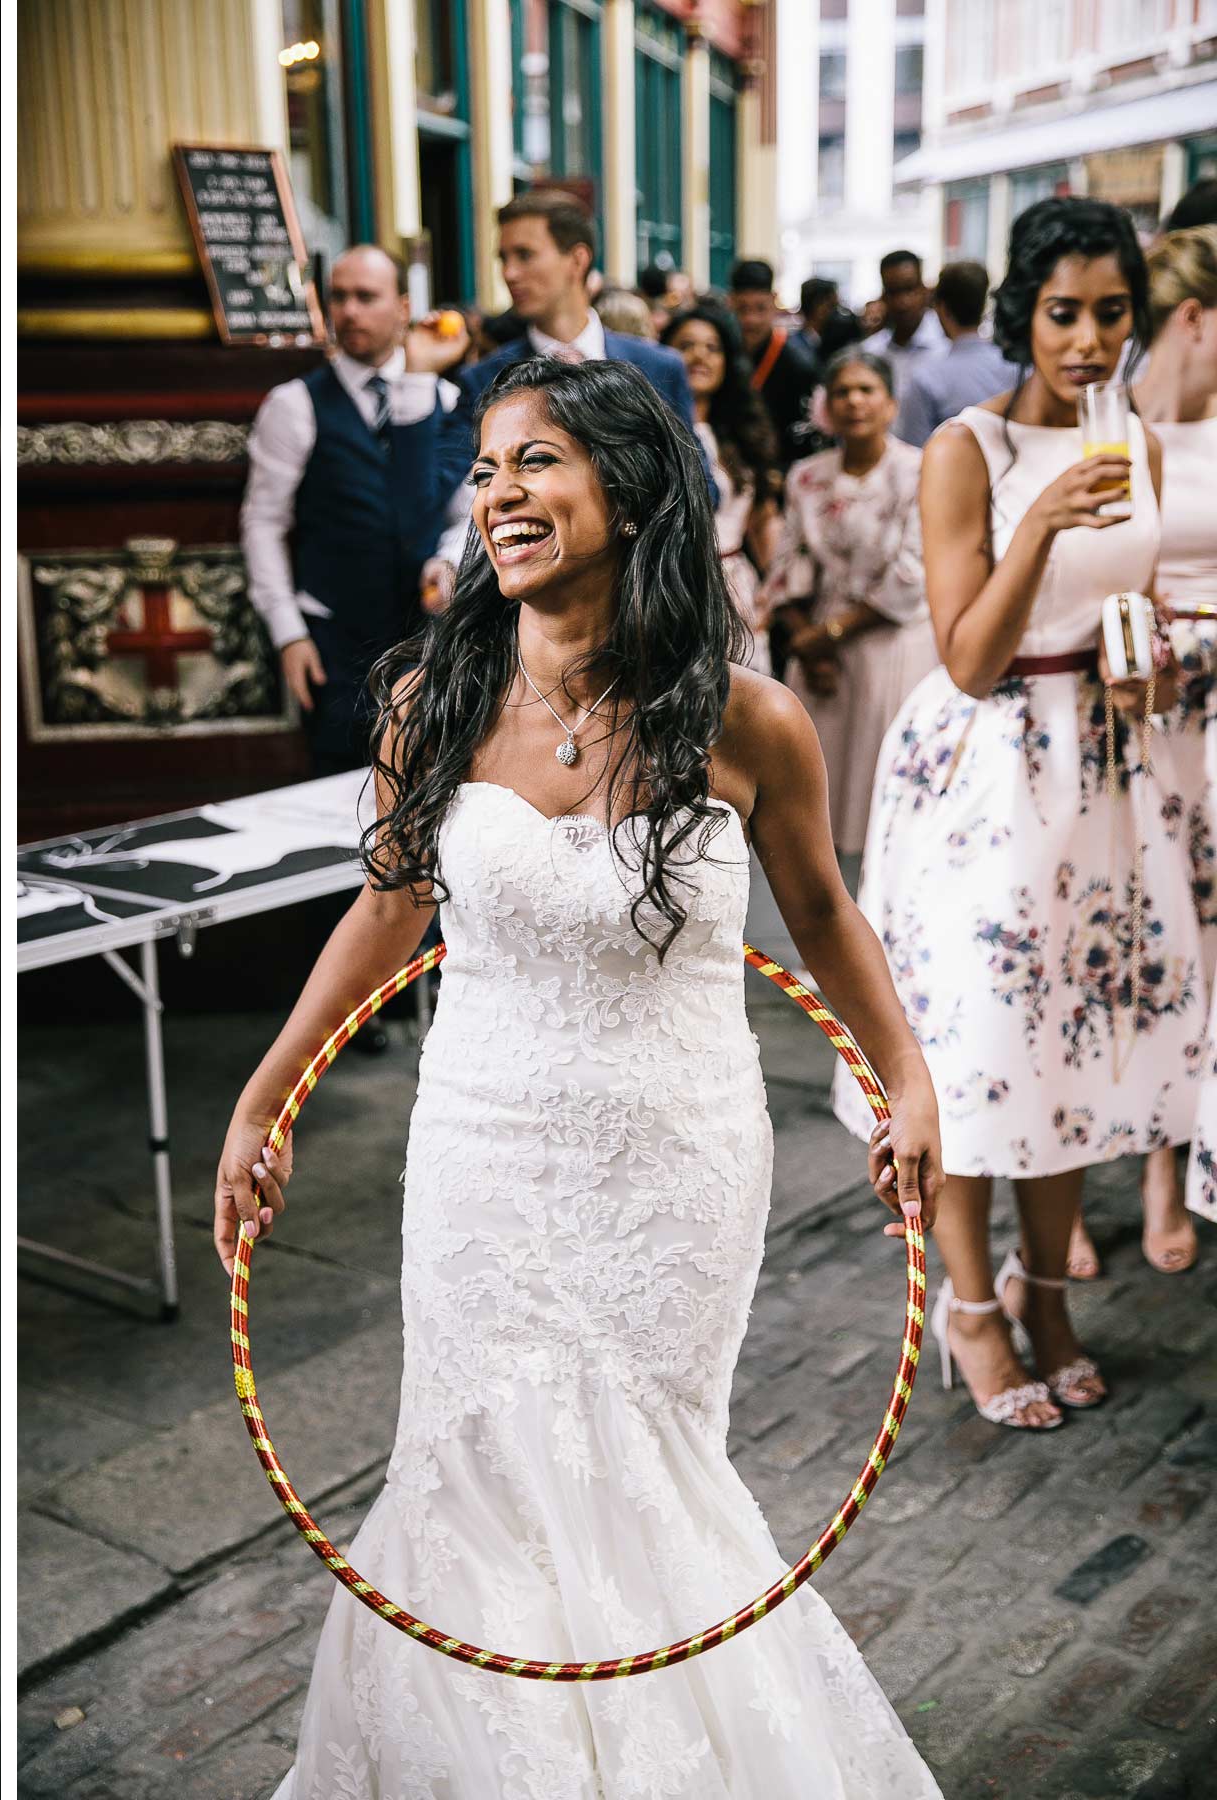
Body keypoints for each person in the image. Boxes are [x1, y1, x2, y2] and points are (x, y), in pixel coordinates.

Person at [213, 356, 945, 1798]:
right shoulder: (432, 697)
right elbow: (387, 907)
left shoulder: (748, 721)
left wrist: (905, 1083)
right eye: (484, 470)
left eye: (536, 462)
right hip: (481, 1145)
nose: (499, 495)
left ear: (633, 486)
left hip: (673, 1157)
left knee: (639, 1474)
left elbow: (826, 916)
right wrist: (263, 1095)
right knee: (473, 1461)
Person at [838, 196, 1182, 1431]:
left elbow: (1126, 611)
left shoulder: (1132, 439)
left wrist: (1149, 668)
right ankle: (969, 1310)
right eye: (1062, 314)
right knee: (982, 1050)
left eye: (1109, 314)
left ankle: (1050, 1298)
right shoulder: (962, 452)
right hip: (982, 773)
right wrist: (1034, 524)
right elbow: (971, 656)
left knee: (1074, 1045)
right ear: (1018, 318)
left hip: (1099, 770)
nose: (1087, 340)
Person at [239, 245, 464, 779]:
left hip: (430, 640)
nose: (349, 312)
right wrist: (288, 633)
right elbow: (264, 522)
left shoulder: (448, 400)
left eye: (366, 297)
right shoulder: (294, 404)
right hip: (336, 642)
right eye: (338, 297)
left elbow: (467, 514)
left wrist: (451, 560)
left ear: (403, 307)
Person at [425, 191, 700, 608]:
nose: (510, 273)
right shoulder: (482, 379)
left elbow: (697, 487)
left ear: (577, 260)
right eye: (503, 258)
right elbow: (443, 496)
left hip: (644, 597)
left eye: (525, 255)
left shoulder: (657, 366)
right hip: (532, 607)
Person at [1133, 225, 1217, 1270]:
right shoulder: (1117, 429)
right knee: (1153, 937)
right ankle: (1151, 1161)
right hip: (1149, 708)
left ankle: (1187, 1151)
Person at [763, 349, 934, 858]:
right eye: (842, 392)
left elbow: (912, 572)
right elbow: (787, 568)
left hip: (890, 641)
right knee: (818, 812)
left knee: (884, 804)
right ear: (827, 407)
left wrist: (830, 635)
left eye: (866, 390)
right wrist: (807, 642)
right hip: (821, 653)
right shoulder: (807, 477)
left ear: (890, 404)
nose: (854, 401)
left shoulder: (919, 471)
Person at [662, 302, 782, 672]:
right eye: (686, 345)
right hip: (672, 584)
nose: (700, 355)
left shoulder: (740, 433)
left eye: (713, 348)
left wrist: (771, 592)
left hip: (736, 583)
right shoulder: (653, 434)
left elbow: (763, 521)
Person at [893, 260, 1018, 445]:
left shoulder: (926, 378)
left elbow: (913, 451)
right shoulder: (1016, 367)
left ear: (942, 309)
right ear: (983, 304)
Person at [730, 258, 822, 466]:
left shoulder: (799, 363)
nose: (751, 320)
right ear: (731, 301)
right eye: (743, 309)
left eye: (760, 309)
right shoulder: (727, 354)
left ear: (773, 301)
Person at [864, 249, 948, 383]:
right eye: (893, 292)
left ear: (924, 290)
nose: (902, 302)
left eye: (909, 289)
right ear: (883, 296)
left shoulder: (947, 345)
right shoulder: (871, 352)